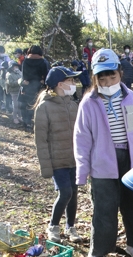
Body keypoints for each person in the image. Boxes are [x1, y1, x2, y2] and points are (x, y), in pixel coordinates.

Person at [73, 48, 133, 257]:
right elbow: (82, 138)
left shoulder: (132, 99)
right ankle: (99, 252)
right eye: (102, 78)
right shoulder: (89, 103)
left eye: (111, 76)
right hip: (103, 163)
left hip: (131, 160)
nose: (107, 82)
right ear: (95, 78)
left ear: (120, 74)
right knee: (105, 208)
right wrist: (82, 170)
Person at [34, 66, 83, 244]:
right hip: (58, 162)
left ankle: (70, 226)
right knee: (65, 193)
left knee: (74, 194)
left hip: (74, 160)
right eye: (71, 81)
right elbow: (41, 140)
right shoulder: (44, 108)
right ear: (60, 84)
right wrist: (46, 166)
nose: (74, 84)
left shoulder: (73, 105)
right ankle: (53, 226)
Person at [20, 46, 48, 129]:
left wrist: (25, 83)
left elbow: (23, 75)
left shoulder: (25, 61)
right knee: (37, 105)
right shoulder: (43, 61)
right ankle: (37, 123)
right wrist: (43, 81)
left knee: (26, 105)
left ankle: (26, 123)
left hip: (27, 85)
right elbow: (45, 74)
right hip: (38, 86)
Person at [0, 46, 11, 111]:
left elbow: (9, 65)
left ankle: (8, 104)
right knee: (0, 91)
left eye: (3, 52)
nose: (2, 53)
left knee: (7, 90)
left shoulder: (6, 57)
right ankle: (2, 103)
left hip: (7, 76)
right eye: (0, 52)